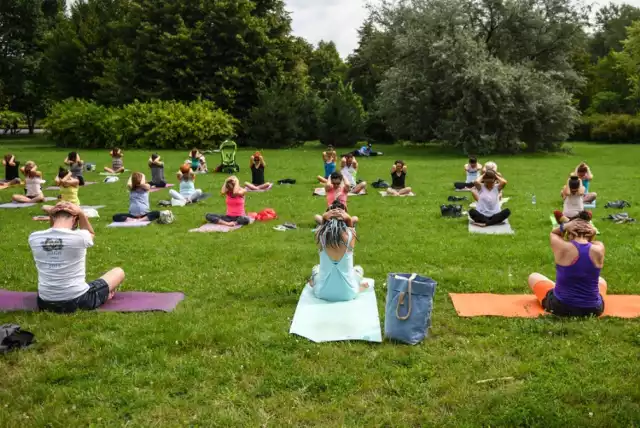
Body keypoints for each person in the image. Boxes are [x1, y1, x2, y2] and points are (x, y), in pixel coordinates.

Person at [29, 202, 125, 313]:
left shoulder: (34, 237)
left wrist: (52, 214)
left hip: (44, 302)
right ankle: (103, 297)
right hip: (78, 300)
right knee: (118, 271)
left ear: (53, 216)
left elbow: (53, 231)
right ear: (75, 219)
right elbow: (90, 233)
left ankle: (102, 295)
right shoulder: (80, 236)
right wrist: (81, 212)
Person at [528, 213, 606, 317]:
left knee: (533, 276)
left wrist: (564, 226)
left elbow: (554, 234)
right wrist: (592, 231)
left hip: (562, 307)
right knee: (602, 281)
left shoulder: (563, 247)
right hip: (593, 309)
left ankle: (557, 288)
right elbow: (592, 242)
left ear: (569, 233)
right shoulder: (599, 249)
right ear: (590, 233)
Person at [308, 210, 369, 302]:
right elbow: (351, 227)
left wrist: (324, 217)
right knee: (358, 269)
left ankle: (314, 283)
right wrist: (348, 219)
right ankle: (359, 286)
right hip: (349, 293)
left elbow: (321, 227)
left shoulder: (320, 236)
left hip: (322, 293)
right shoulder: (350, 237)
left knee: (316, 269)